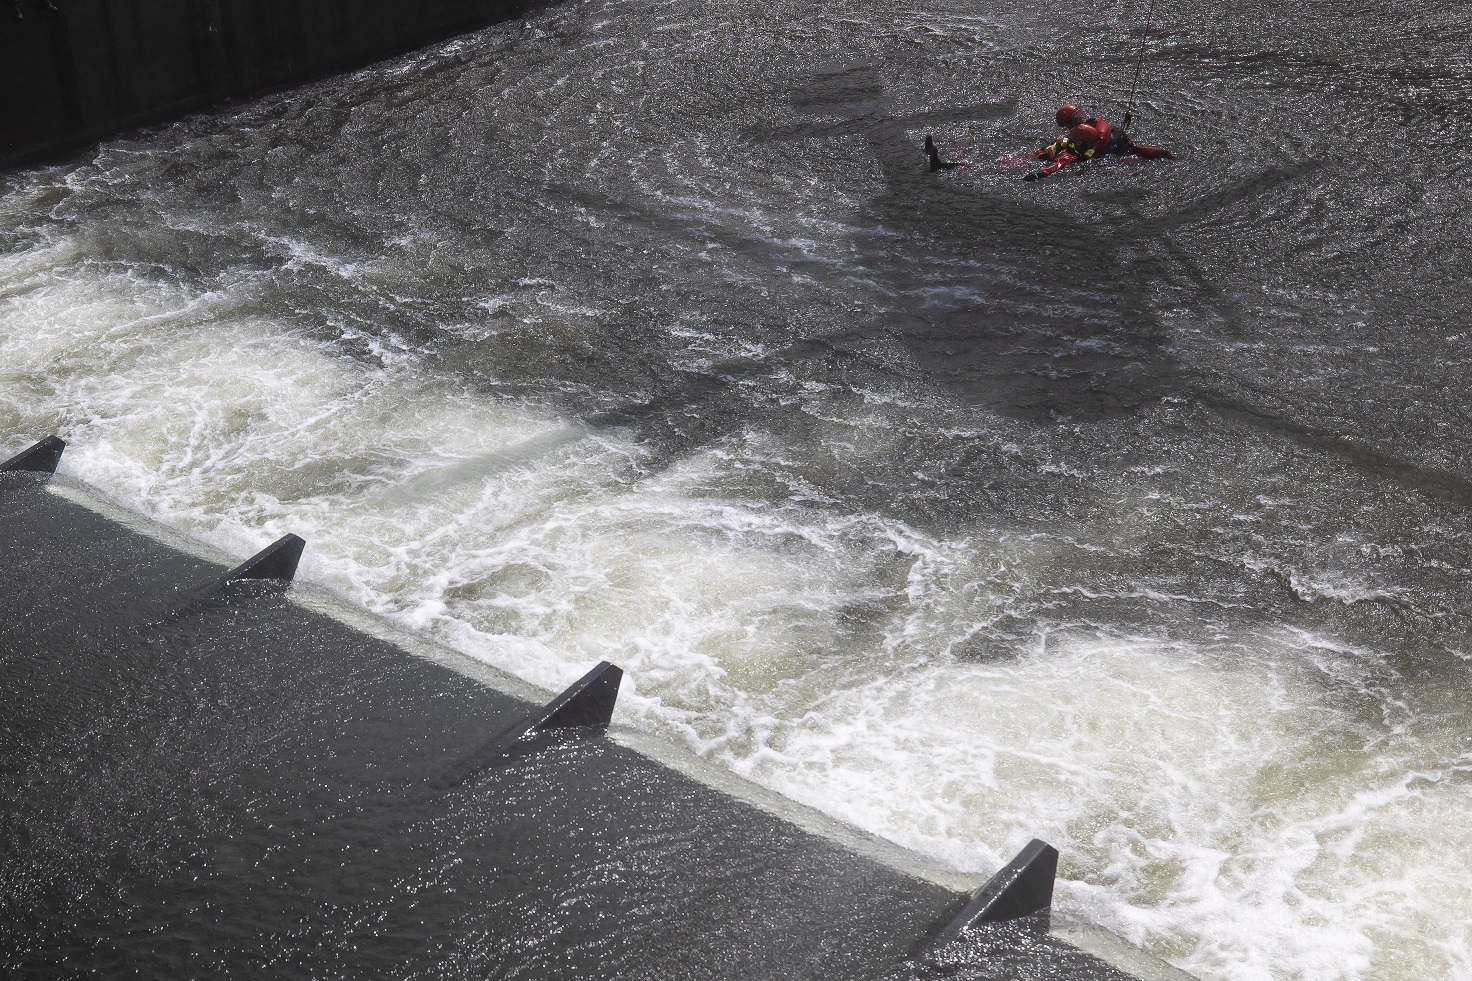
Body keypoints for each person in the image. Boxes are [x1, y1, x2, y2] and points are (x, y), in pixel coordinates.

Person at [1023, 103, 1174, 181]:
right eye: (1076, 117)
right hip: (1117, 156)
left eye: (1079, 115)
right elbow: (1059, 162)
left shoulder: (1093, 128)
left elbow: (1105, 134)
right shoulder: (1073, 144)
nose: (1081, 118)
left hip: (1120, 151)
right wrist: (1040, 173)